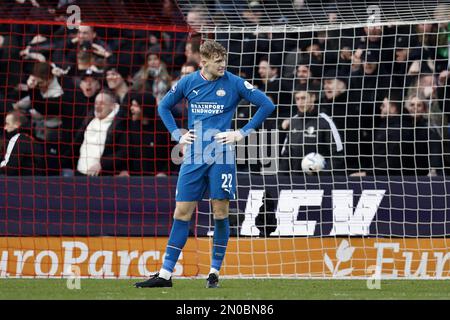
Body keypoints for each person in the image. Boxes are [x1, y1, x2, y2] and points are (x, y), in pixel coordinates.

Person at [134, 40, 275, 288]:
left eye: (224, 60)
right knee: (182, 212)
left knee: (220, 212)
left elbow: (267, 104)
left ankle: (213, 273)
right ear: (204, 62)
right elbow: (164, 106)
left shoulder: (234, 82)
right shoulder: (189, 82)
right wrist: (177, 134)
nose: (223, 65)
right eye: (218, 61)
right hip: (194, 157)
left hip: (221, 156)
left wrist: (241, 133)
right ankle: (165, 275)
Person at [71, 90, 128, 176]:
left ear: (112, 106)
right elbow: (76, 143)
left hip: (103, 176)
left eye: (102, 103)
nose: (97, 106)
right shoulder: (89, 120)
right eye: (96, 103)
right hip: (80, 172)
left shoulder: (120, 124)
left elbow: (123, 153)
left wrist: (102, 164)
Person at [0, 110, 44, 176]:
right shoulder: (34, 139)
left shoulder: (18, 138)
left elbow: (10, 169)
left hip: (20, 182)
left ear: (17, 124)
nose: (5, 127)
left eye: (7, 123)